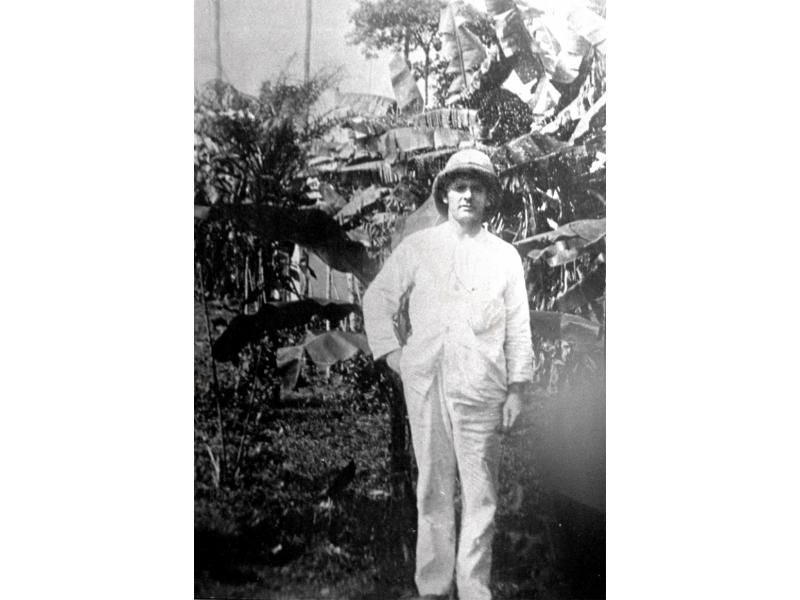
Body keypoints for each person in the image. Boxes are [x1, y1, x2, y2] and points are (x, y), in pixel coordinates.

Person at [363, 149, 534, 600]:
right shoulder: (419, 247)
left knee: (480, 494)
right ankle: (434, 588)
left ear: (487, 198)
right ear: (445, 193)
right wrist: (393, 355)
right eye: (460, 186)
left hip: (481, 387)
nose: (468, 195)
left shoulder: (505, 257)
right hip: (426, 385)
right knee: (433, 489)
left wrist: (517, 389)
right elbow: (377, 299)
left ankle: (474, 588)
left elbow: (518, 327)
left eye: (477, 188)